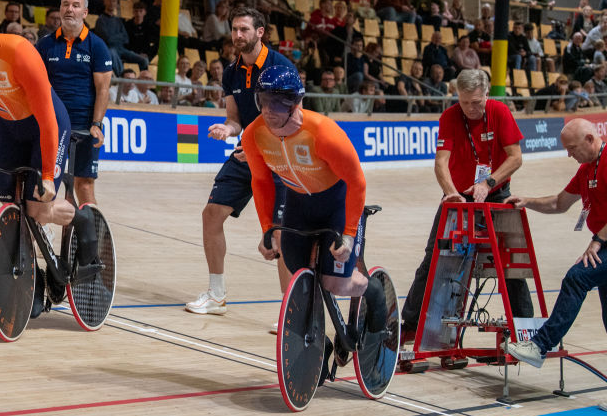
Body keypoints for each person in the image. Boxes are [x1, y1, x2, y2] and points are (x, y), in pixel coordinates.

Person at [0, 0, 100, 318]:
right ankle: (37, 277)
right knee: (10, 205)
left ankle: (82, 219)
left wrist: (46, 176)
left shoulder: (19, 52)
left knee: (37, 206)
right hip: (11, 128)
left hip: (49, 124)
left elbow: (47, 117)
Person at [245, 65, 390, 354]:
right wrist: (266, 228)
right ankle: (316, 343)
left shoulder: (323, 133)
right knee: (296, 274)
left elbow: (356, 182)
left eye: (277, 102)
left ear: (295, 102)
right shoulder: (253, 135)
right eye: (263, 100)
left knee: (335, 282)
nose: (269, 110)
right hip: (300, 204)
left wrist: (349, 234)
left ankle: (371, 290)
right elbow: (261, 182)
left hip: (337, 203)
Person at [399, 69, 533, 341]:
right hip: (459, 195)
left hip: (495, 193)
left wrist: (489, 183)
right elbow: (441, 162)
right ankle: (410, 324)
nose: (471, 108)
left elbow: (516, 158)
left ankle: (524, 328)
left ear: (487, 94)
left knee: (509, 262)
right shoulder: (449, 116)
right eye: (465, 102)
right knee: (432, 258)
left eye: (476, 102)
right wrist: (450, 193)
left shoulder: (500, 112)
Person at [186, 7, 296, 315]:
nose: (237, 35)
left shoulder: (280, 67)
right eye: (234, 29)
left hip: (278, 156)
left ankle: (291, 311)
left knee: (281, 233)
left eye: (244, 29)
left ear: (260, 32)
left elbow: (291, 121)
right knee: (211, 214)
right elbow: (235, 119)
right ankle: (216, 295)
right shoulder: (232, 71)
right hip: (245, 153)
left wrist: (256, 144)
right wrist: (228, 128)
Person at [505, 120, 607, 374]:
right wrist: (527, 201)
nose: (569, 154)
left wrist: (598, 240)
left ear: (590, 140)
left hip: (604, 242)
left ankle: (539, 346)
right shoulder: (586, 169)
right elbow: (559, 203)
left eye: (572, 148)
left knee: (577, 278)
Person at [34, 0, 113, 206]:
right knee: (45, 182)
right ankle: (40, 231)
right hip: (52, 126)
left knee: (84, 184)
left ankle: (90, 237)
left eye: (75, 5)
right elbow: (36, 85)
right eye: (65, 5)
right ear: (60, 9)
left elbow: (103, 89)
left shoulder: (97, 46)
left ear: (85, 12)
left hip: (84, 126)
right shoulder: (45, 44)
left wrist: (97, 123)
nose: (70, 9)